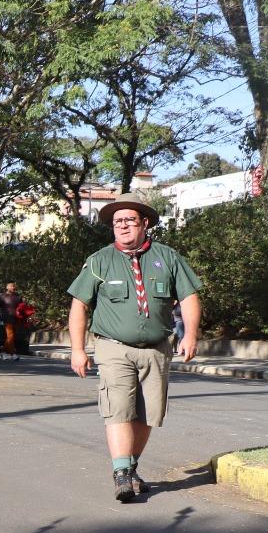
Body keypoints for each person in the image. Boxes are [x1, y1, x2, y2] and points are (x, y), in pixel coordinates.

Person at [67, 189, 202, 502]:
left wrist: (190, 335)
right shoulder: (99, 260)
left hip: (157, 347)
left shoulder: (167, 257)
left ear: (145, 223)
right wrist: (77, 349)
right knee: (118, 408)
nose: (123, 225)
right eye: (117, 221)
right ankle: (121, 473)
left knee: (148, 413)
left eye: (129, 219)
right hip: (114, 347)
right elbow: (79, 306)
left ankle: (130, 466)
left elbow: (189, 297)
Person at [0, 283, 24, 361]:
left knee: (10, 337)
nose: (13, 287)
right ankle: (13, 354)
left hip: (16, 319)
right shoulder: (3, 296)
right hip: (7, 318)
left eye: (14, 286)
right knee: (10, 335)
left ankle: (3, 352)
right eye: (11, 286)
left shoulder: (18, 297)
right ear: (7, 287)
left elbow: (22, 307)